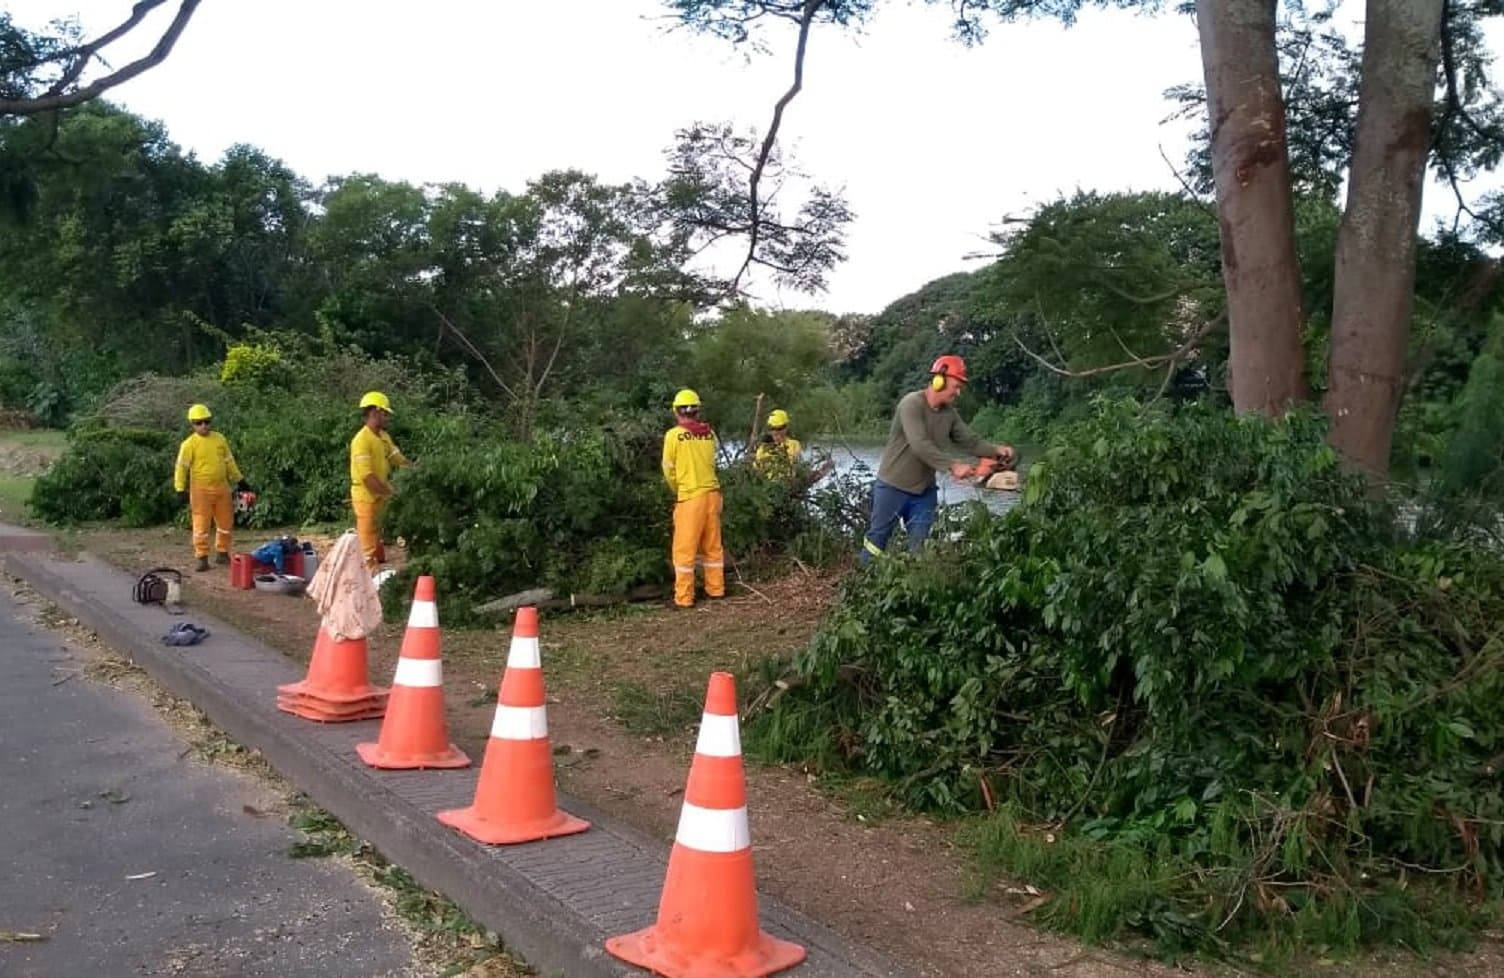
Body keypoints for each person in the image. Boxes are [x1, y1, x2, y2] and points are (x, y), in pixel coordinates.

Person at [859, 355, 1014, 563]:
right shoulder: (911, 404)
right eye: (956, 386)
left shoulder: (950, 415)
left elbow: (970, 442)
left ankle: (913, 590)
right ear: (939, 380)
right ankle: (863, 580)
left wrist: (997, 451)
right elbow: (919, 444)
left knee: (921, 549)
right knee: (876, 542)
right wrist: (953, 465)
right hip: (892, 487)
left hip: (924, 493)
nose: (958, 393)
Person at [661, 388, 724, 608]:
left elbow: (669, 470)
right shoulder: (709, 433)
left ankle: (684, 598)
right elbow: (713, 463)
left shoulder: (673, 436)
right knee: (713, 546)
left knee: (684, 551)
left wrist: (676, 489)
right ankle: (716, 590)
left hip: (690, 498)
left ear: (677, 411)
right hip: (713, 496)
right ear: (697, 411)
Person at [173, 403, 252, 572]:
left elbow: (229, 462)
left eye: (207, 421)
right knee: (201, 524)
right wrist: (180, 488)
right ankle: (202, 557)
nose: (204, 426)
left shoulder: (220, 439)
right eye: (199, 422)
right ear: (192, 424)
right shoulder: (189, 444)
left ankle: (222, 553)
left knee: (225, 521)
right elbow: (181, 467)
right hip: (200, 490)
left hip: (222, 487)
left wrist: (240, 480)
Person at [350, 391, 410, 572]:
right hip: (366, 497)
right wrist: (389, 492)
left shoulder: (383, 437)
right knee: (367, 543)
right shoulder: (361, 440)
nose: (387, 418)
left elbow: (398, 459)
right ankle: (368, 580)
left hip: (381, 493)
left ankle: (376, 568)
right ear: (376, 412)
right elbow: (367, 477)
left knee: (377, 535)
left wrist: (417, 471)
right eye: (385, 414)